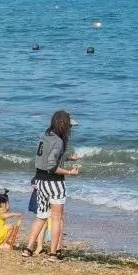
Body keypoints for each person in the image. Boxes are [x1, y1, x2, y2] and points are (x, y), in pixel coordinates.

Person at [21, 110, 81, 261]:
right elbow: (52, 166)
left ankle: (28, 248)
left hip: (40, 182)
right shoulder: (59, 141)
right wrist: (70, 172)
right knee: (56, 218)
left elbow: (47, 159)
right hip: (54, 183)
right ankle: (53, 253)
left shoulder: (45, 136)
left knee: (41, 217)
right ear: (63, 125)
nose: (70, 129)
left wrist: (68, 158)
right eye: (69, 126)